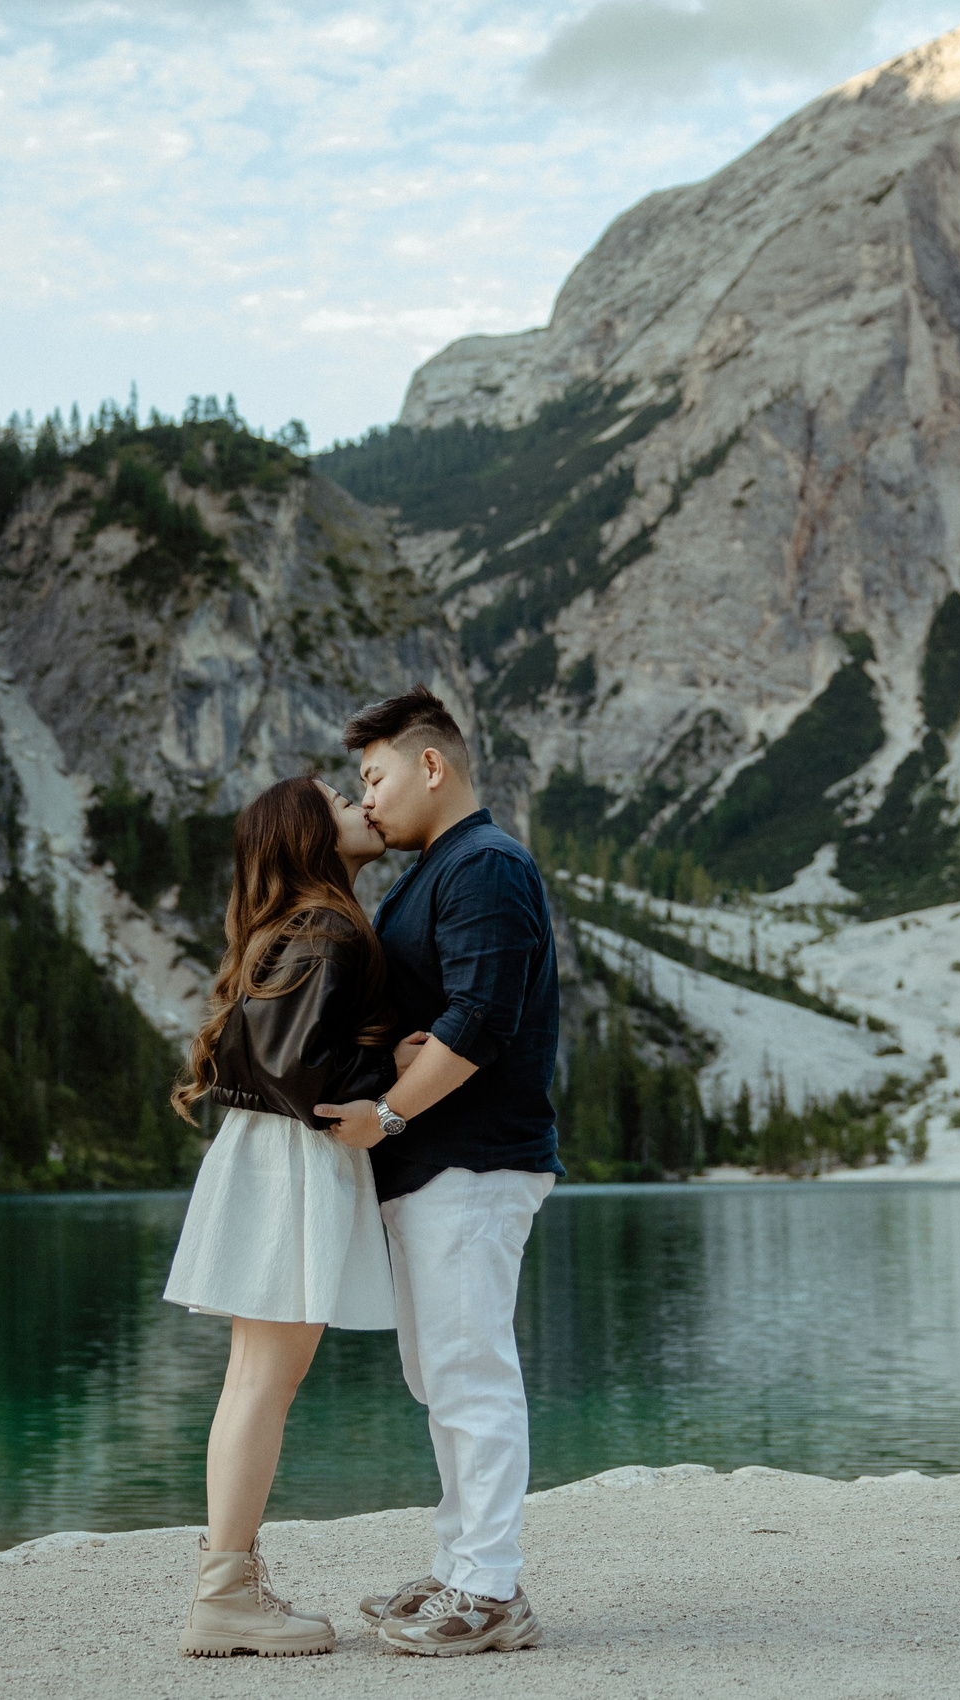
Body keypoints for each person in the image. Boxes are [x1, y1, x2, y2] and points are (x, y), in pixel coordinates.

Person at [316, 686, 563, 1657]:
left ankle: (491, 1588)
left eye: (373, 776)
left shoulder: (486, 865)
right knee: (437, 1371)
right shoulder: (432, 871)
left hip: (474, 1160)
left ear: (432, 765)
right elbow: (446, 1016)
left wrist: (385, 1111)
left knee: (469, 1369)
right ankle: (463, 1562)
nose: (364, 797)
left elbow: (480, 1019)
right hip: (434, 1164)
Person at [160, 773, 404, 1658]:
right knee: (267, 1380)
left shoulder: (290, 925)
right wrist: (389, 1064)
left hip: (258, 1157)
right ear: (312, 834)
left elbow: (271, 1053)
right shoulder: (330, 928)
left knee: (252, 1378)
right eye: (343, 800)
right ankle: (224, 1592)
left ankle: (228, 1582)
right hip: (293, 1163)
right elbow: (303, 1072)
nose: (361, 807)